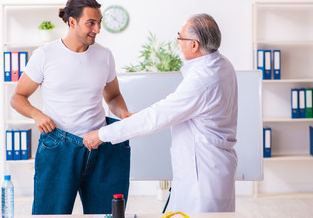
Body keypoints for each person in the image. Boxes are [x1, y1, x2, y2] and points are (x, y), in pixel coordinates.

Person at [83, 13, 238, 213]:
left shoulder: (202, 81)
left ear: (194, 45)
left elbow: (156, 118)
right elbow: (180, 112)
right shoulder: (222, 64)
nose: (177, 42)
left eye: (180, 38)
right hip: (211, 167)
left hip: (202, 174)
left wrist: (101, 135)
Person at [10, 0, 131, 215]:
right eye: (91, 23)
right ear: (72, 22)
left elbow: (113, 96)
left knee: (107, 212)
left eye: (99, 22)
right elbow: (18, 97)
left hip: (100, 145)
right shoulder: (45, 55)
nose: (97, 29)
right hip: (59, 146)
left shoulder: (104, 56)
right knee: (51, 213)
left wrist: (124, 114)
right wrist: (37, 115)